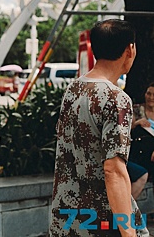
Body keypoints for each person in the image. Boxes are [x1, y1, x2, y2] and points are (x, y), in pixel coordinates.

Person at [49, 19, 148, 236]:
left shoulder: (73, 89)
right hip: (100, 221)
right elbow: (113, 169)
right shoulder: (116, 99)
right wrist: (129, 232)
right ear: (130, 50)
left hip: (66, 216)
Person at [129, 82, 154, 180]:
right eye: (148, 94)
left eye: (153, 95)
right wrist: (136, 123)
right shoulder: (136, 109)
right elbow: (126, 129)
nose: (150, 97)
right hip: (139, 151)